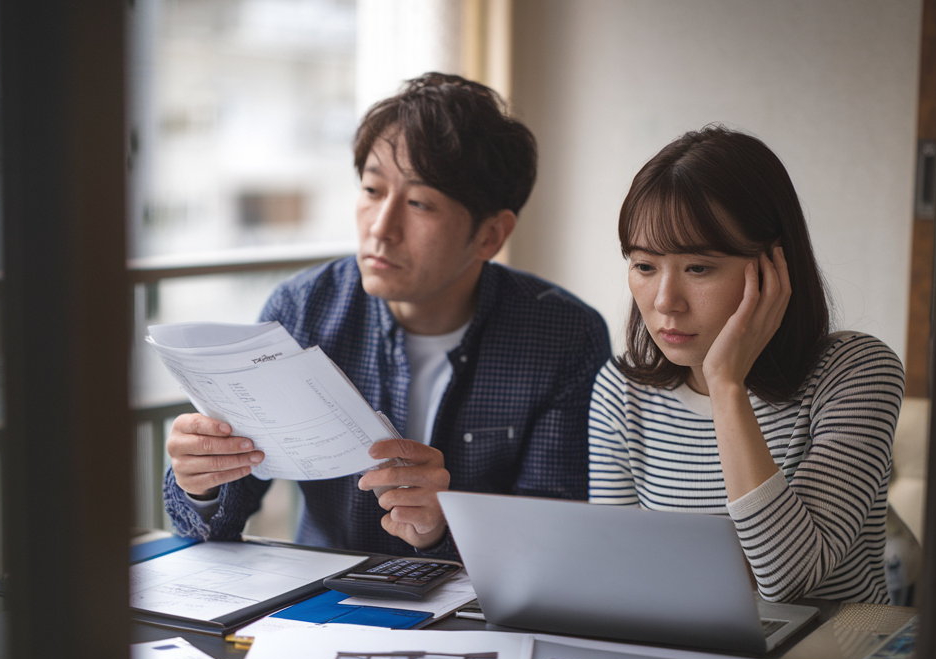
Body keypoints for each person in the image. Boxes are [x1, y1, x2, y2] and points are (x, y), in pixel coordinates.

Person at [165, 73, 610, 560]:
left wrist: (446, 527)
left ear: (490, 235)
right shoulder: (302, 310)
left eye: (419, 203)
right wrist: (201, 486)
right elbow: (215, 526)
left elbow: (554, 538)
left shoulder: (565, 336)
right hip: (322, 605)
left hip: (482, 618)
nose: (381, 227)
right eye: (373, 190)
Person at [588, 125, 904, 604]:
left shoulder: (856, 373)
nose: (666, 302)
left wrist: (726, 385)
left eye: (698, 268)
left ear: (773, 265)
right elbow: (617, 573)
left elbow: (788, 578)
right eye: (645, 266)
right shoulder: (620, 388)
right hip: (682, 656)